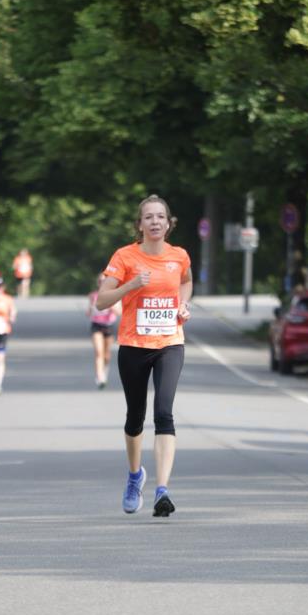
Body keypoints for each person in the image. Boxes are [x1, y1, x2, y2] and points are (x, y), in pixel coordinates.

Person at [96, 194, 192, 517]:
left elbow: (187, 282)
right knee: (135, 417)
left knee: (164, 412)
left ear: (168, 223)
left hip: (169, 343)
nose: (154, 222)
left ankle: (162, 490)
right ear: (140, 225)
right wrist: (132, 285)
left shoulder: (179, 256)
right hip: (134, 346)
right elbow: (101, 301)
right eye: (148, 217)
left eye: (160, 217)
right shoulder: (125, 256)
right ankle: (136, 475)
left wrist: (183, 304)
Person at [87, 272, 119, 388]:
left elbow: (119, 312)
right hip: (96, 325)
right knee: (98, 352)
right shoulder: (93, 296)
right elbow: (88, 313)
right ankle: (100, 377)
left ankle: (104, 370)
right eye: (100, 281)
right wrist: (91, 309)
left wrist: (110, 306)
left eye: (104, 281)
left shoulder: (114, 295)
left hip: (109, 326)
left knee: (106, 355)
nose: (102, 283)